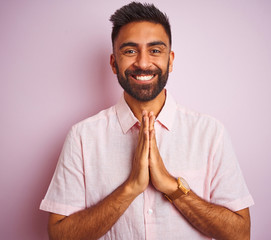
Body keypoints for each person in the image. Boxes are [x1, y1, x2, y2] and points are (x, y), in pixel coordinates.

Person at [40, 2, 254, 240]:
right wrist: (131, 187)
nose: (143, 63)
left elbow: (240, 234)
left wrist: (173, 187)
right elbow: (59, 236)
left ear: (170, 60)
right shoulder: (82, 137)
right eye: (130, 51)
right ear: (114, 63)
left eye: (155, 50)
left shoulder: (210, 133)